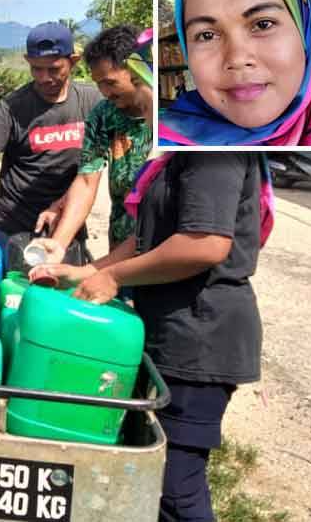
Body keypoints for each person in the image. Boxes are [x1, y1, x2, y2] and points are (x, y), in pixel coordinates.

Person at [30, 150, 275, 522]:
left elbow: (205, 242)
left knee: (177, 491)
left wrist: (113, 278)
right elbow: (149, 240)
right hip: (171, 332)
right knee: (153, 480)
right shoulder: (182, 151)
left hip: (199, 338)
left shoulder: (214, 152)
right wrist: (85, 272)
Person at [158, 0, 311, 147]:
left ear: (304, 31)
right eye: (206, 35)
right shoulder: (170, 144)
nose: (238, 58)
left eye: (263, 24)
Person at [0, 21, 101, 265]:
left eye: (54, 69)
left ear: (73, 62)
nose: (45, 78)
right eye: (36, 69)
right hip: (14, 227)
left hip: (65, 222)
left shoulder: (92, 102)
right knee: (13, 297)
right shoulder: (13, 107)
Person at [32, 26, 155, 263]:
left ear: (137, 70)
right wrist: (58, 244)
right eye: (99, 84)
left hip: (165, 243)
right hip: (122, 244)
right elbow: (87, 180)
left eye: (110, 82)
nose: (104, 92)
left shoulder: (169, 116)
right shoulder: (103, 114)